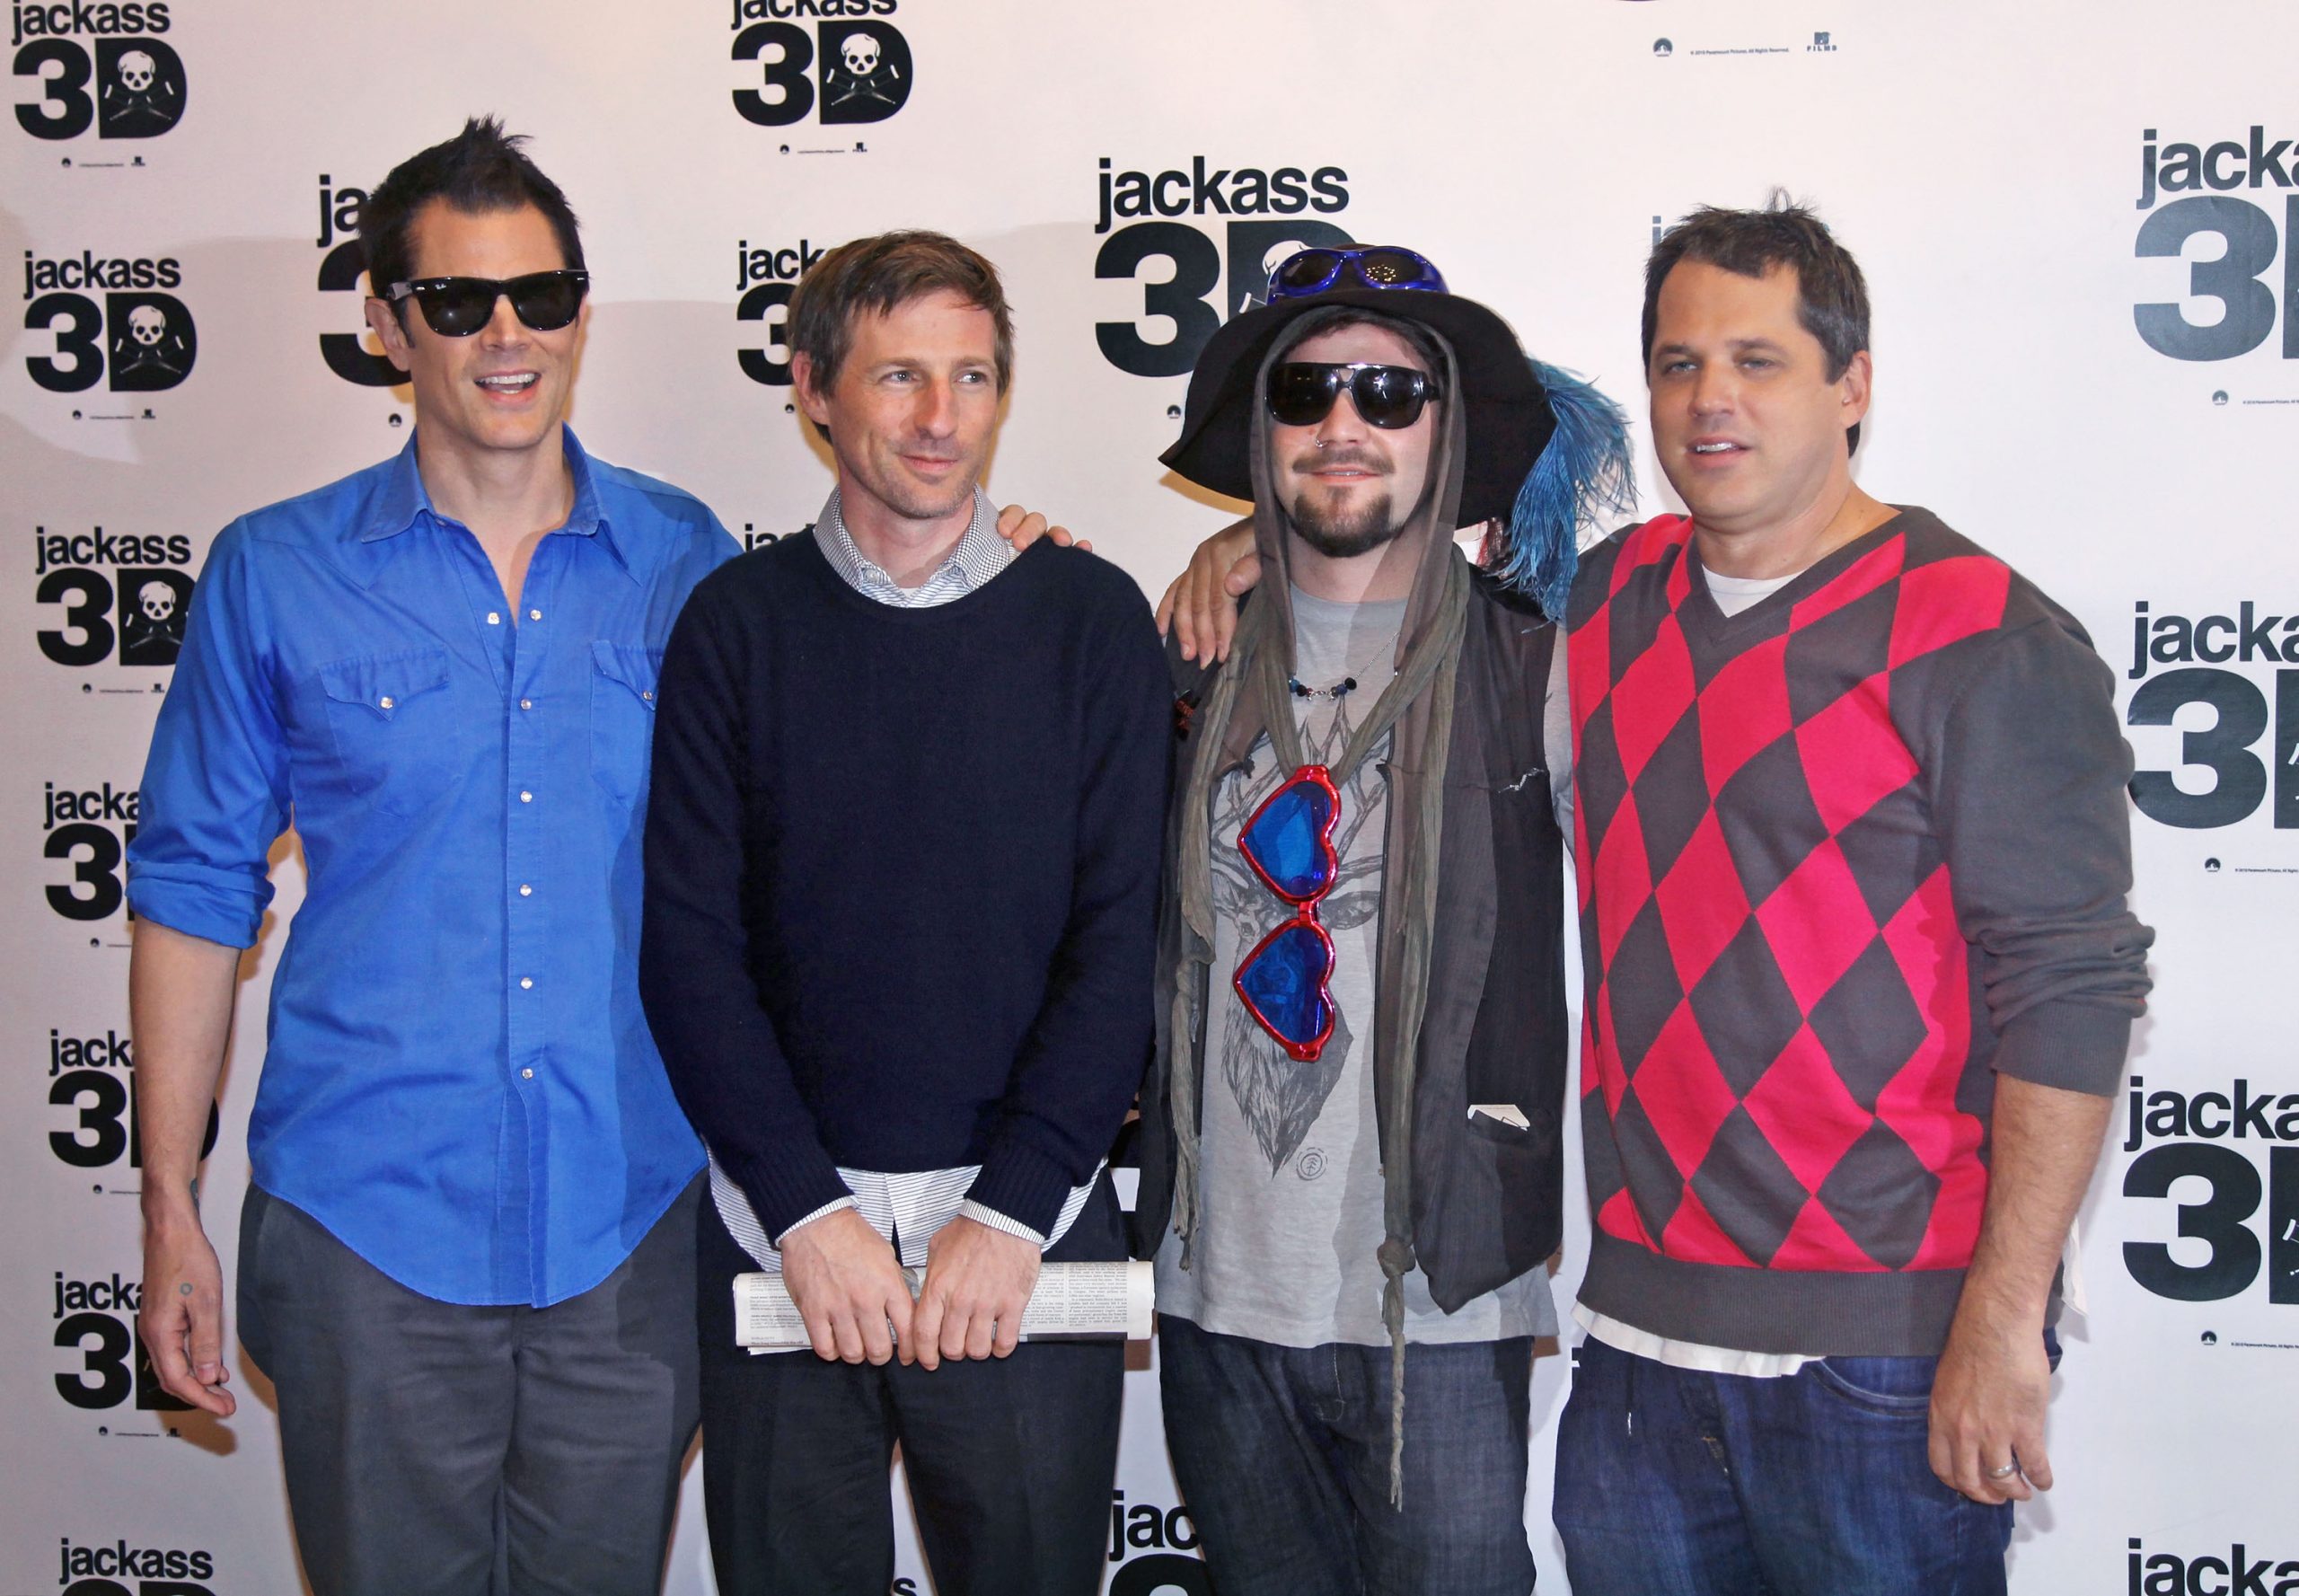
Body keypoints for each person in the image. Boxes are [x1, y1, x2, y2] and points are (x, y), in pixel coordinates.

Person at [1162, 201, 2154, 1594]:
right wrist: (1251, 545)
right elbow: (1373, 553)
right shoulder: (1606, 603)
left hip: (1881, 1348)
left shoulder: (1983, 630)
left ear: (1854, 383)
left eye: (1758, 360)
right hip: (1636, 1349)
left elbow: (2074, 984)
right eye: (1680, 363)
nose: (1711, 399)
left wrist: (2003, 1315)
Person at [125, 118, 734, 1595]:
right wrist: (168, 1207)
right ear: (390, 328)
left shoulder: (688, 558)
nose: (506, 334)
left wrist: (1003, 562)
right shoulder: (275, 570)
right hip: (363, 1226)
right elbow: (194, 894)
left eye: (541, 293)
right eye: (459, 301)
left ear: (581, 311)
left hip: (631, 1221)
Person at [639, 230, 1169, 1596]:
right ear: (814, 389)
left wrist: (1014, 1206)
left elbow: (1124, 941)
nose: (941, 417)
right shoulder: (734, 625)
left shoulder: (1093, 619)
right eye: (898, 377)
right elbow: (691, 949)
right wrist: (803, 1210)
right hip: (786, 1245)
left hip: (1024, 1244)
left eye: (972, 376)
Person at [1131, 245, 1633, 1594]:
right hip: (1212, 1295)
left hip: (1443, 1298)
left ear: (1449, 431)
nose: (1344, 423)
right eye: (1305, 392)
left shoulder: (1543, 665)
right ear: (1261, 430)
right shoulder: (1178, 661)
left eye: (1391, 394)